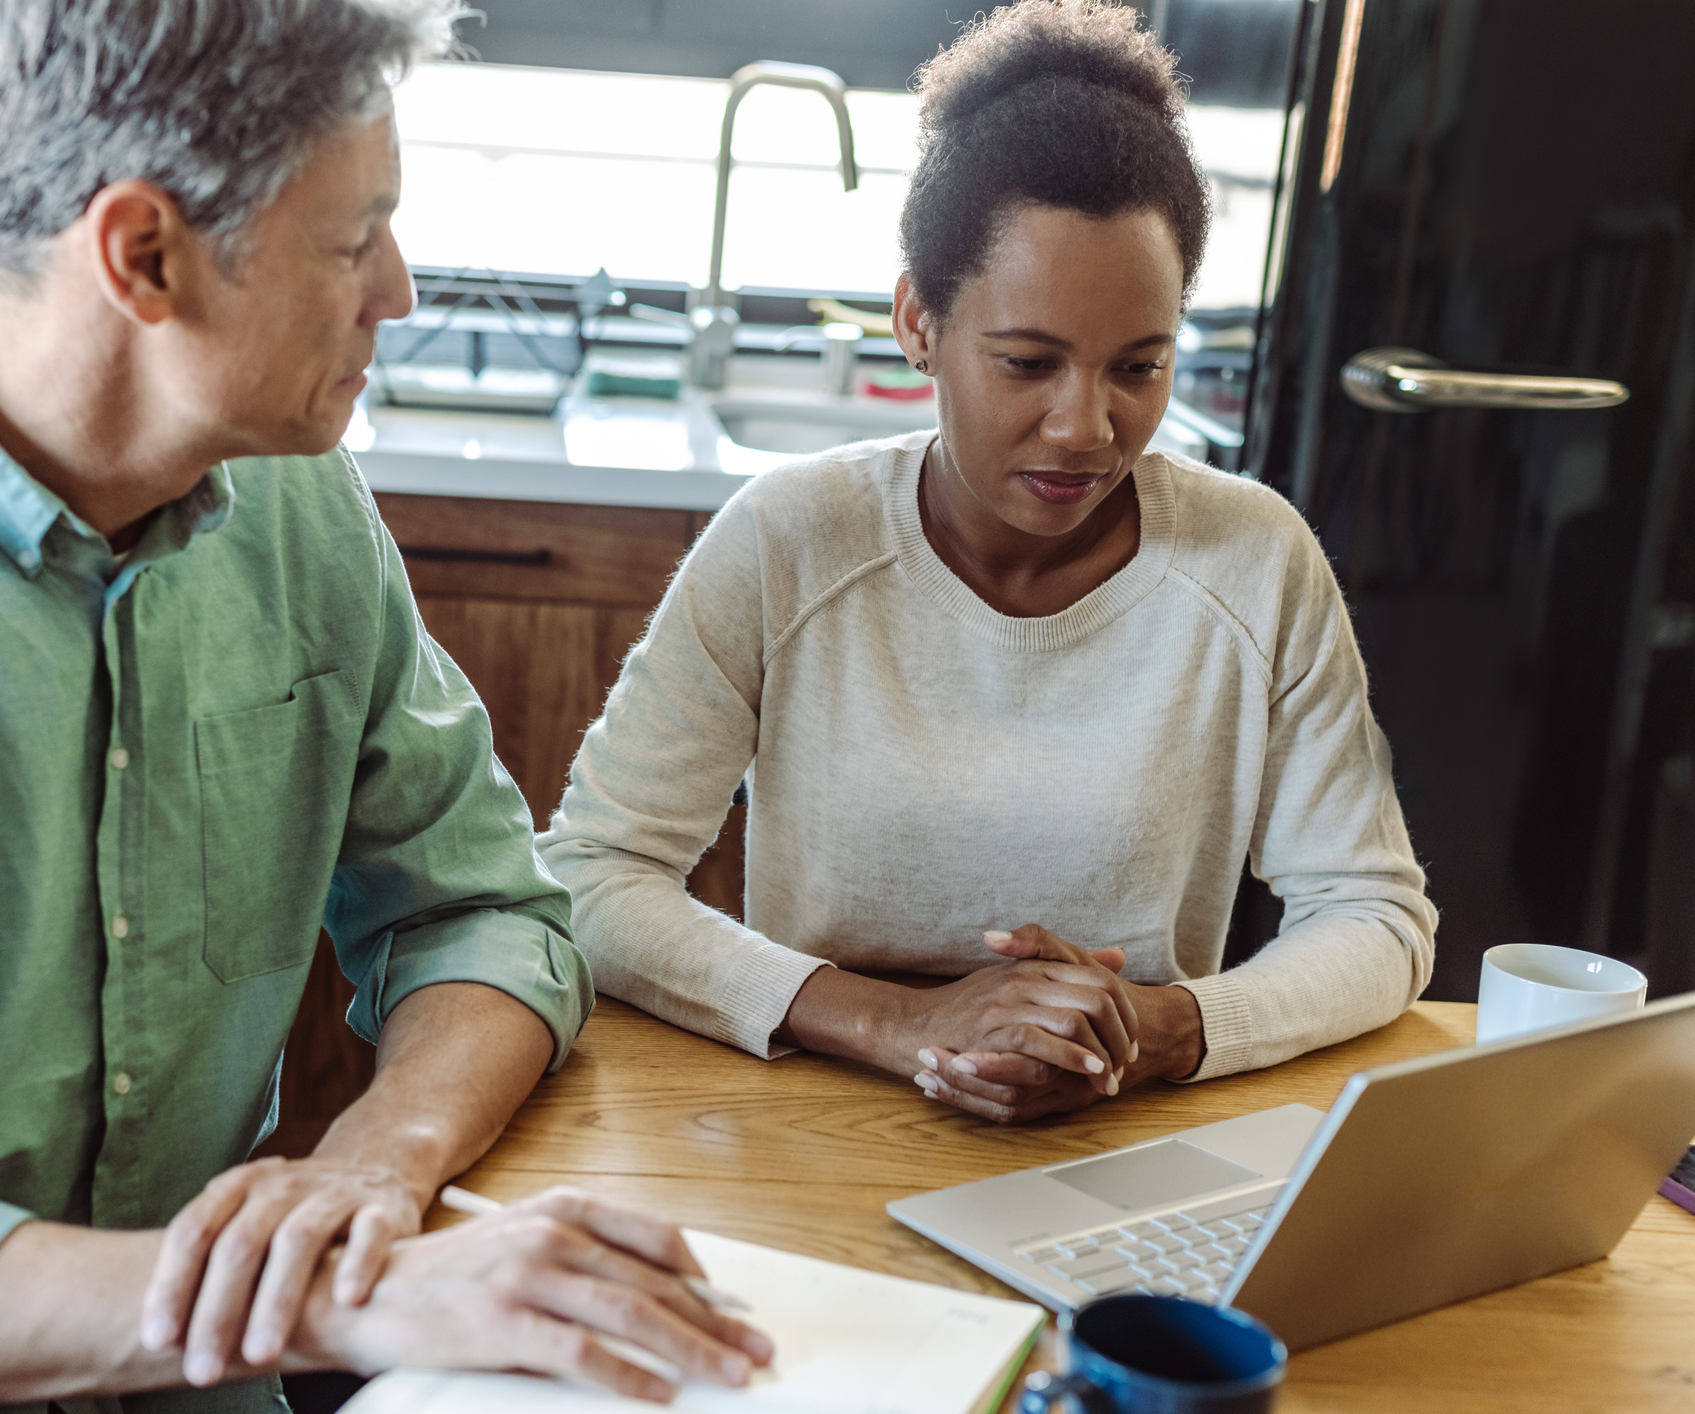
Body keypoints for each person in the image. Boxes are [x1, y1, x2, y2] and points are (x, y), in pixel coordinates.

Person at [0, 2, 771, 1410]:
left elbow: (483, 910)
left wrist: (374, 1170)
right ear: (144, 254)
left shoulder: (297, 498)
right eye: (352, 238)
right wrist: (338, 1294)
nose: (399, 286)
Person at [539, 0, 1437, 1124]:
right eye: (1026, 361)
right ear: (918, 320)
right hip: (813, 1105)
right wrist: (898, 1021)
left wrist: (1163, 1031)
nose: (1084, 427)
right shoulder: (788, 538)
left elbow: (1375, 917)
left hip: (1126, 1121)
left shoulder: (1253, 561)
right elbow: (588, 875)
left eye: (1136, 367)